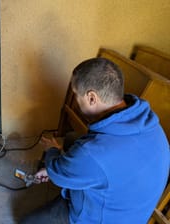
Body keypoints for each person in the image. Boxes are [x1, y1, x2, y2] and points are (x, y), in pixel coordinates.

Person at [20, 58, 169, 223]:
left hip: (100, 219)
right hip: (132, 210)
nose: (75, 101)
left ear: (92, 98)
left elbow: (59, 174)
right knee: (71, 139)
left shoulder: (91, 153)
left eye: (76, 95)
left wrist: (52, 152)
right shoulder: (151, 125)